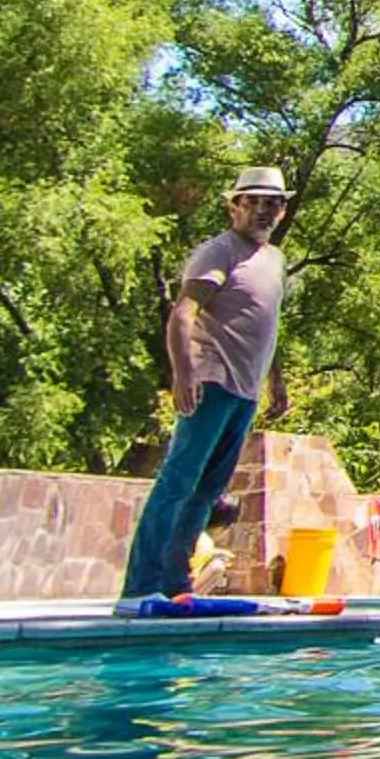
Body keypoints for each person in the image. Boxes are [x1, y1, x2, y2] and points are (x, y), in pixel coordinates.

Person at [121, 166, 294, 603]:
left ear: (281, 210)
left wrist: (277, 382)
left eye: (270, 203)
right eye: (251, 201)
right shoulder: (219, 252)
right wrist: (184, 374)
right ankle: (141, 587)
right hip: (212, 381)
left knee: (208, 490)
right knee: (178, 481)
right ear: (234, 206)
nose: (261, 210)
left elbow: (266, 323)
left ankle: (174, 583)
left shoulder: (273, 260)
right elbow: (183, 313)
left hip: (245, 390)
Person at [190, 498, 242, 592]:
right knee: (218, 566)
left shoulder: (189, 533)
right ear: (224, 527)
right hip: (177, 597)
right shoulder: (205, 544)